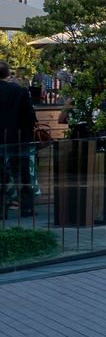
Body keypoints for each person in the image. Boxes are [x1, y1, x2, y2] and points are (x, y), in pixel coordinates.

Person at [1, 63, 40, 221]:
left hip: (0, 139)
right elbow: (30, 116)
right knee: (25, 175)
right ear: (8, 74)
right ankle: (27, 209)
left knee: (1, 175)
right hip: (20, 138)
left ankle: (2, 210)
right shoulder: (20, 91)